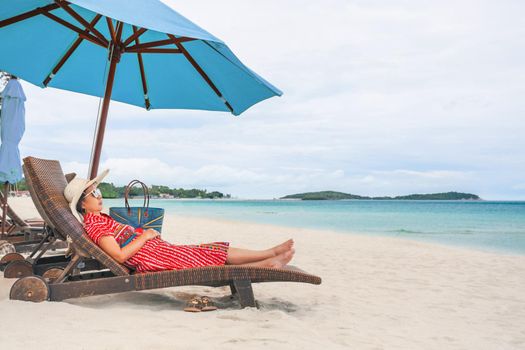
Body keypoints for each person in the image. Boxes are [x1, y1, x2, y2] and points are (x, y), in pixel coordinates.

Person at [64, 170, 294, 273]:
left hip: (156, 250)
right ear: (82, 204)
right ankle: (268, 262)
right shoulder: (94, 224)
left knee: (209, 249)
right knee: (208, 256)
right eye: (94, 193)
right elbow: (119, 256)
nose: (99, 195)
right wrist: (145, 236)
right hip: (151, 258)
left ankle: (268, 253)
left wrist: (146, 236)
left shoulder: (100, 218)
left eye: (99, 190)